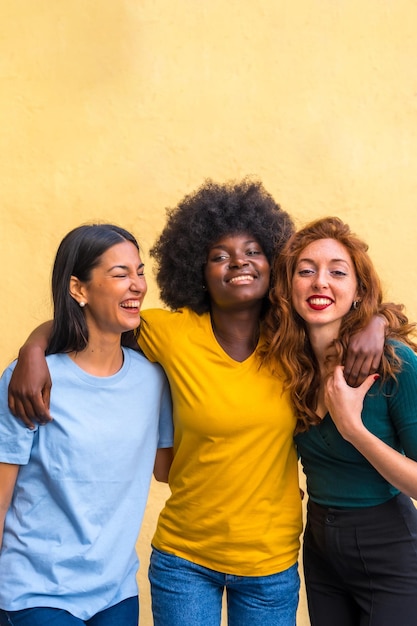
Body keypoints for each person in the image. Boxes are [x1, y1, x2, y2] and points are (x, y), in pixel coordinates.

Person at [7, 181, 393, 626]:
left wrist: (379, 321)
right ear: (196, 269)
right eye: (219, 256)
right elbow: (90, 316)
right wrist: (33, 351)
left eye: (253, 251)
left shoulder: (294, 339)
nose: (239, 263)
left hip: (270, 562)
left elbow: (353, 311)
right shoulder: (169, 333)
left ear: (273, 263)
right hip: (185, 558)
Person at [0, 224, 173, 626]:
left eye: (140, 272)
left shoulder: (152, 381)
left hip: (115, 594)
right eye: (120, 274)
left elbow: (168, 470)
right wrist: (33, 349)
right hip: (36, 593)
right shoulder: (30, 379)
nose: (137, 286)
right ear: (78, 289)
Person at [262, 216, 417, 626]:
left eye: (337, 272)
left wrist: (354, 431)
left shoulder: (395, 363)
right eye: (306, 271)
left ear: (357, 290)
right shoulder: (285, 363)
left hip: (390, 546)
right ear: (287, 287)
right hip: (320, 549)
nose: (320, 282)